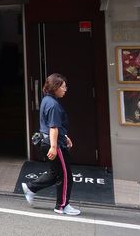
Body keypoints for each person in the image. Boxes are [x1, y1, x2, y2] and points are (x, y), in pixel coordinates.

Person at [22, 73, 80, 215]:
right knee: (65, 176)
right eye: (63, 87)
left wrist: (64, 136)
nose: (65, 89)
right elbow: (53, 127)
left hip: (47, 141)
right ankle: (62, 206)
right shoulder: (53, 105)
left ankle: (31, 188)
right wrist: (54, 147)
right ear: (55, 87)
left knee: (55, 173)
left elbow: (52, 125)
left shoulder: (47, 100)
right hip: (53, 144)